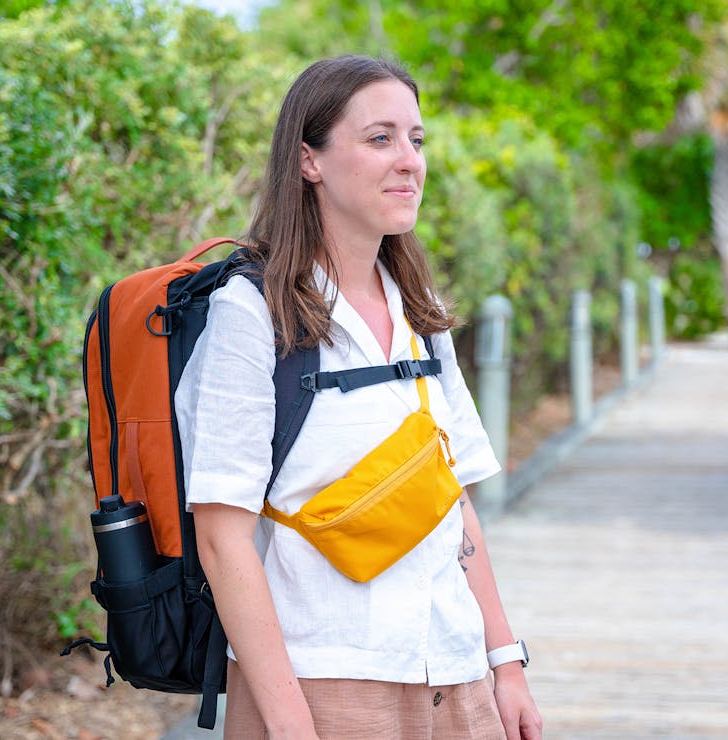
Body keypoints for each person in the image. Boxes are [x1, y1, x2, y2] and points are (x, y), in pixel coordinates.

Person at [175, 55, 543, 740]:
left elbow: (450, 495)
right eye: (380, 139)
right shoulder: (250, 313)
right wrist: (290, 724)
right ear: (309, 159)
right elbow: (223, 538)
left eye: (417, 139)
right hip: (322, 684)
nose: (409, 161)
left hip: (455, 675)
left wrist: (505, 663)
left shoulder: (421, 313)